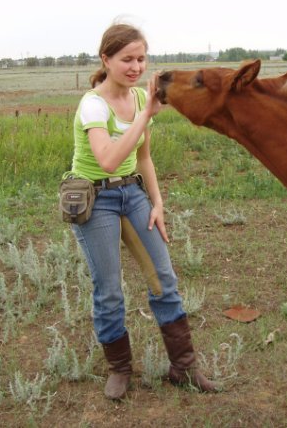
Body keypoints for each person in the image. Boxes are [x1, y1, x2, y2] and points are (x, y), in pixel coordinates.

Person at [66, 22, 218, 400]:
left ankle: (183, 367)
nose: (136, 67)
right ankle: (119, 369)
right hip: (94, 199)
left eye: (141, 59)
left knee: (163, 279)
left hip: (131, 193)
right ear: (106, 59)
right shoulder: (93, 105)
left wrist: (158, 204)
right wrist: (146, 114)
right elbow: (108, 160)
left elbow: (143, 157)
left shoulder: (136, 100)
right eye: (126, 59)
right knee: (109, 289)